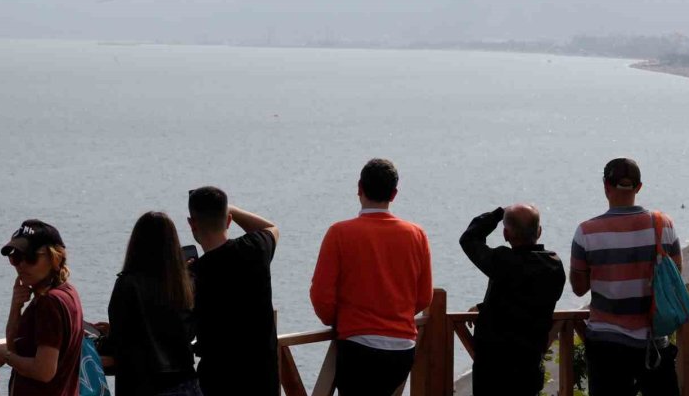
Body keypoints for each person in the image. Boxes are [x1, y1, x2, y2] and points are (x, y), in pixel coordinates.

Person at [310, 158, 433, 396]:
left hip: (358, 347)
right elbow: (423, 297)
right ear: (394, 194)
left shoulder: (339, 233)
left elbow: (321, 296)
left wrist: (337, 321)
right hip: (402, 350)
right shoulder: (417, 234)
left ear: (359, 188)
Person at [570, 158, 682, 396]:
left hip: (606, 344)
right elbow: (676, 277)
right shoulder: (664, 224)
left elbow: (579, 289)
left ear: (605, 186)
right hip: (654, 341)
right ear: (639, 187)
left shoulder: (586, 232)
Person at [459, 204, 566, 396]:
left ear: (506, 234)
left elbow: (469, 238)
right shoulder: (553, 266)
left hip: (492, 368)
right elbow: (527, 297)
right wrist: (483, 307)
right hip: (529, 364)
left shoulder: (502, 261)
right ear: (539, 232)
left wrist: (498, 213)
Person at [187, 187, 280, 396]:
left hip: (217, 382)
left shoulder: (193, 276)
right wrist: (233, 210)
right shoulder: (255, 249)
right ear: (228, 220)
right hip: (262, 380)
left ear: (192, 224)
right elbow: (271, 227)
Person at [0, 219, 84, 396]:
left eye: (31, 257)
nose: (21, 265)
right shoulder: (68, 293)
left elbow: (44, 371)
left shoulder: (49, 303)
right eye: (16, 257)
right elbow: (15, 348)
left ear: (55, 258)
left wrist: (5, 356)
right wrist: (16, 307)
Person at [102, 211, 201, 396]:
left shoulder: (127, 284)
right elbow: (186, 332)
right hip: (185, 384)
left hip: (143, 386)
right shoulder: (184, 285)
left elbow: (122, 344)